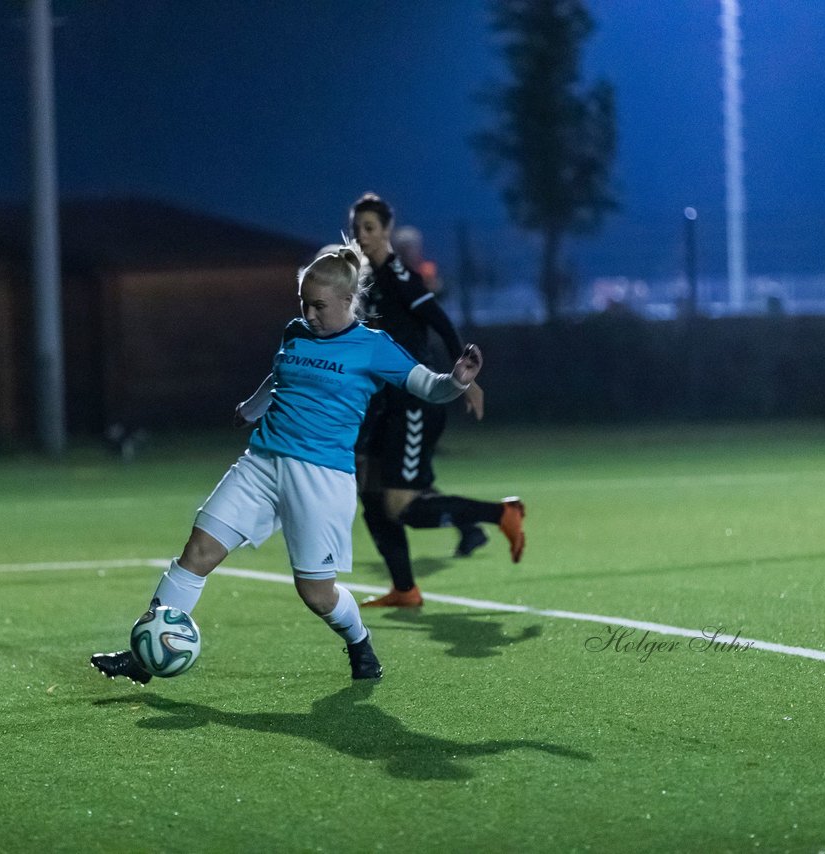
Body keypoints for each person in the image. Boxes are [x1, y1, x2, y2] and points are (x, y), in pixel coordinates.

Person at [91, 245, 484, 684]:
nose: (310, 314)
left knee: (316, 594)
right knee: (196, 554)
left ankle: (359, 641)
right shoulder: (295, 331)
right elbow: (279, 376)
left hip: (320, 477)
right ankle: (143, 658)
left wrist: (456, 381)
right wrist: (251, 408)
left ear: (346, 301)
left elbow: (428, 387)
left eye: (319, 306)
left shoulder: (373, 347)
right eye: (304, 304)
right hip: (261, 464)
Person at [350, 192, 526, 610]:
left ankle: (500, 515)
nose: (362, 235)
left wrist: (462, 378)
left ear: (387, 231)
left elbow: (441, 323)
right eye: (357, 227)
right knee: (371, 494)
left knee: (400, 504)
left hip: (415, 401)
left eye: (370, 228)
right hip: (385, 401)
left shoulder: (400, 276)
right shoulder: (366, 279)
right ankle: (405, 589)